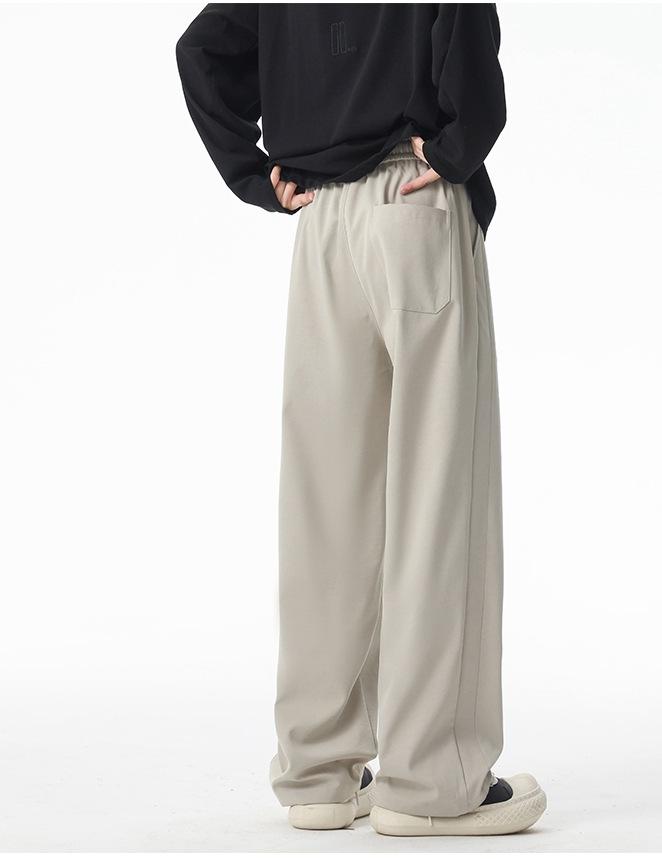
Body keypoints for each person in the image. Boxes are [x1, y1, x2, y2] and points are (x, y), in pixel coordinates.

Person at [176, 2, 546, 837]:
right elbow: (468, 51)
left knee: (326, 506)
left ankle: (317, 770)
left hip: (321, 226)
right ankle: (431, 782)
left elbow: (203, 49)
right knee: (437, 500)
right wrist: (456, 149)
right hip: (413, 205)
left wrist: (253, 170)